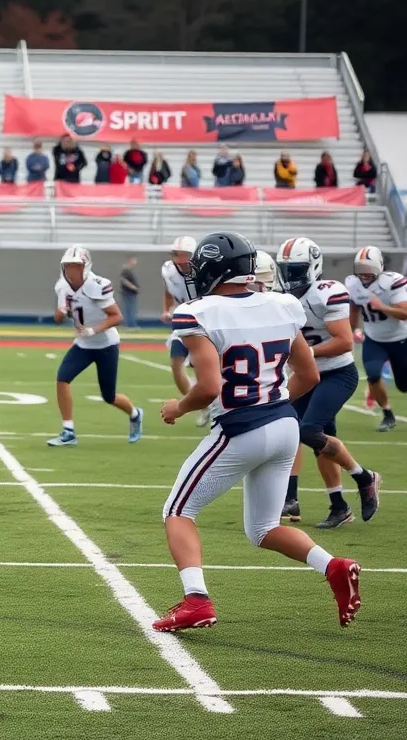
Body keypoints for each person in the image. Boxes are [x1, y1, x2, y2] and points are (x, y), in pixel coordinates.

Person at [153, 231, 360, 632]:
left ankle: (196, 600)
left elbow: (210, 387)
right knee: (263, 529)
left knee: (178, 511)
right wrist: (273, 403)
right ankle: (333, 566)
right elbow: (309, 373)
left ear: (214, 268)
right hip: (284, 425)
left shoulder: (198, 312)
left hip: (239, 427)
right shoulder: (283, 304)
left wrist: (178, 407)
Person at [275, 237, 381, 528]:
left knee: (309, 430)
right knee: (307, 436)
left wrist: (307, 352)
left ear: (313, 267)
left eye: (296, 270)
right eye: (285, 270)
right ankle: (339, 505)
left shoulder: (326, 293)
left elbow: (345, 342)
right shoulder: (279, 295)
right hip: (305, 375)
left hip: (335, 373)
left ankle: (364, 477)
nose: (289, 277)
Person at [47, 246, 143, 447]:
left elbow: (117, 316)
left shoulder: (97, 285)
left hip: (106, 344)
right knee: (62, 379)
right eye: (68, 266)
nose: (71, 271)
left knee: (109, 396)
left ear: (85, 267)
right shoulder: (62, 287)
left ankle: (135, 414)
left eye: (76, 266)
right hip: (82, 344)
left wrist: (95, 330)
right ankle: (68, 431)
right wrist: (62, 310)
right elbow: (57, 319)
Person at [346, 246, 407, 432]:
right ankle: (388, 415)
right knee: (373, 374)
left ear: (379, 266)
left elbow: (404, 313)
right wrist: (353, 330)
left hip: (401, 338)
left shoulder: (393, 282)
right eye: (360, 267)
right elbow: (354, 308)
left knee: (404, 385)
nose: (364, 273)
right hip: (374, 339)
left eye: (369, 267)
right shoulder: (353, 283)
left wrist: (383, 307)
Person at [162, 236, 212, 426]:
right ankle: (202, 406)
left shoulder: (204, 272)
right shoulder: (168, 270)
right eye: (178, 254)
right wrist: (167, 309)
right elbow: (167, 291)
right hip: (183, 323)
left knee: (202, 371)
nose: (181, 259)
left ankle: (210, 405)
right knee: (176, 364)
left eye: (185, 255)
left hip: (204, 325)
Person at [119, 255, 140, 328]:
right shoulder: (126, 270)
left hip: (131, 293)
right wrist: (133, 287)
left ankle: (130, 324)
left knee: (131, 309)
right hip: (128, 293)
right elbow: (123, 280)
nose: (135, 263)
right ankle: (129, 325)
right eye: (134, 261)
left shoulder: (130, 270)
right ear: (129, 261)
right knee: (130, 309)